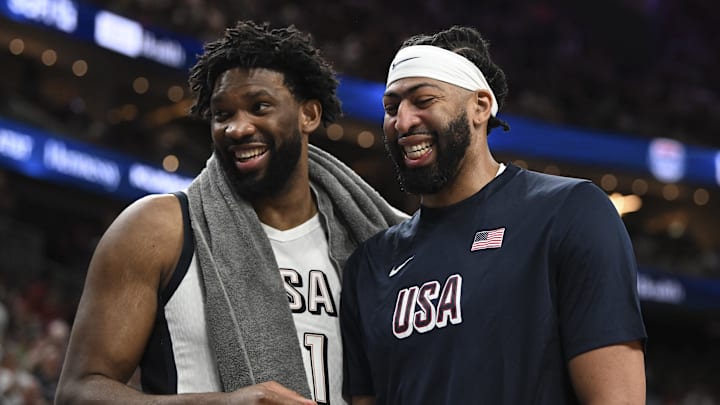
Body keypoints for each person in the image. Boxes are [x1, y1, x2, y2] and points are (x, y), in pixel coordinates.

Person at [55, 20, 405, 405]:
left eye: (259, 107)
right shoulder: (157, 229)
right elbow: (78, 392)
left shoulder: (371, 246)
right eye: (223, 114)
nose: (237, 128)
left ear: (309, 115)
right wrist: (222, 403)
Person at [340, 26, 647, 404]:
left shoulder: (569, 212)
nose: (402, 122)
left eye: (423, 100)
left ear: (480, 107)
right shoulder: (369, 265)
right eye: (392, 108)